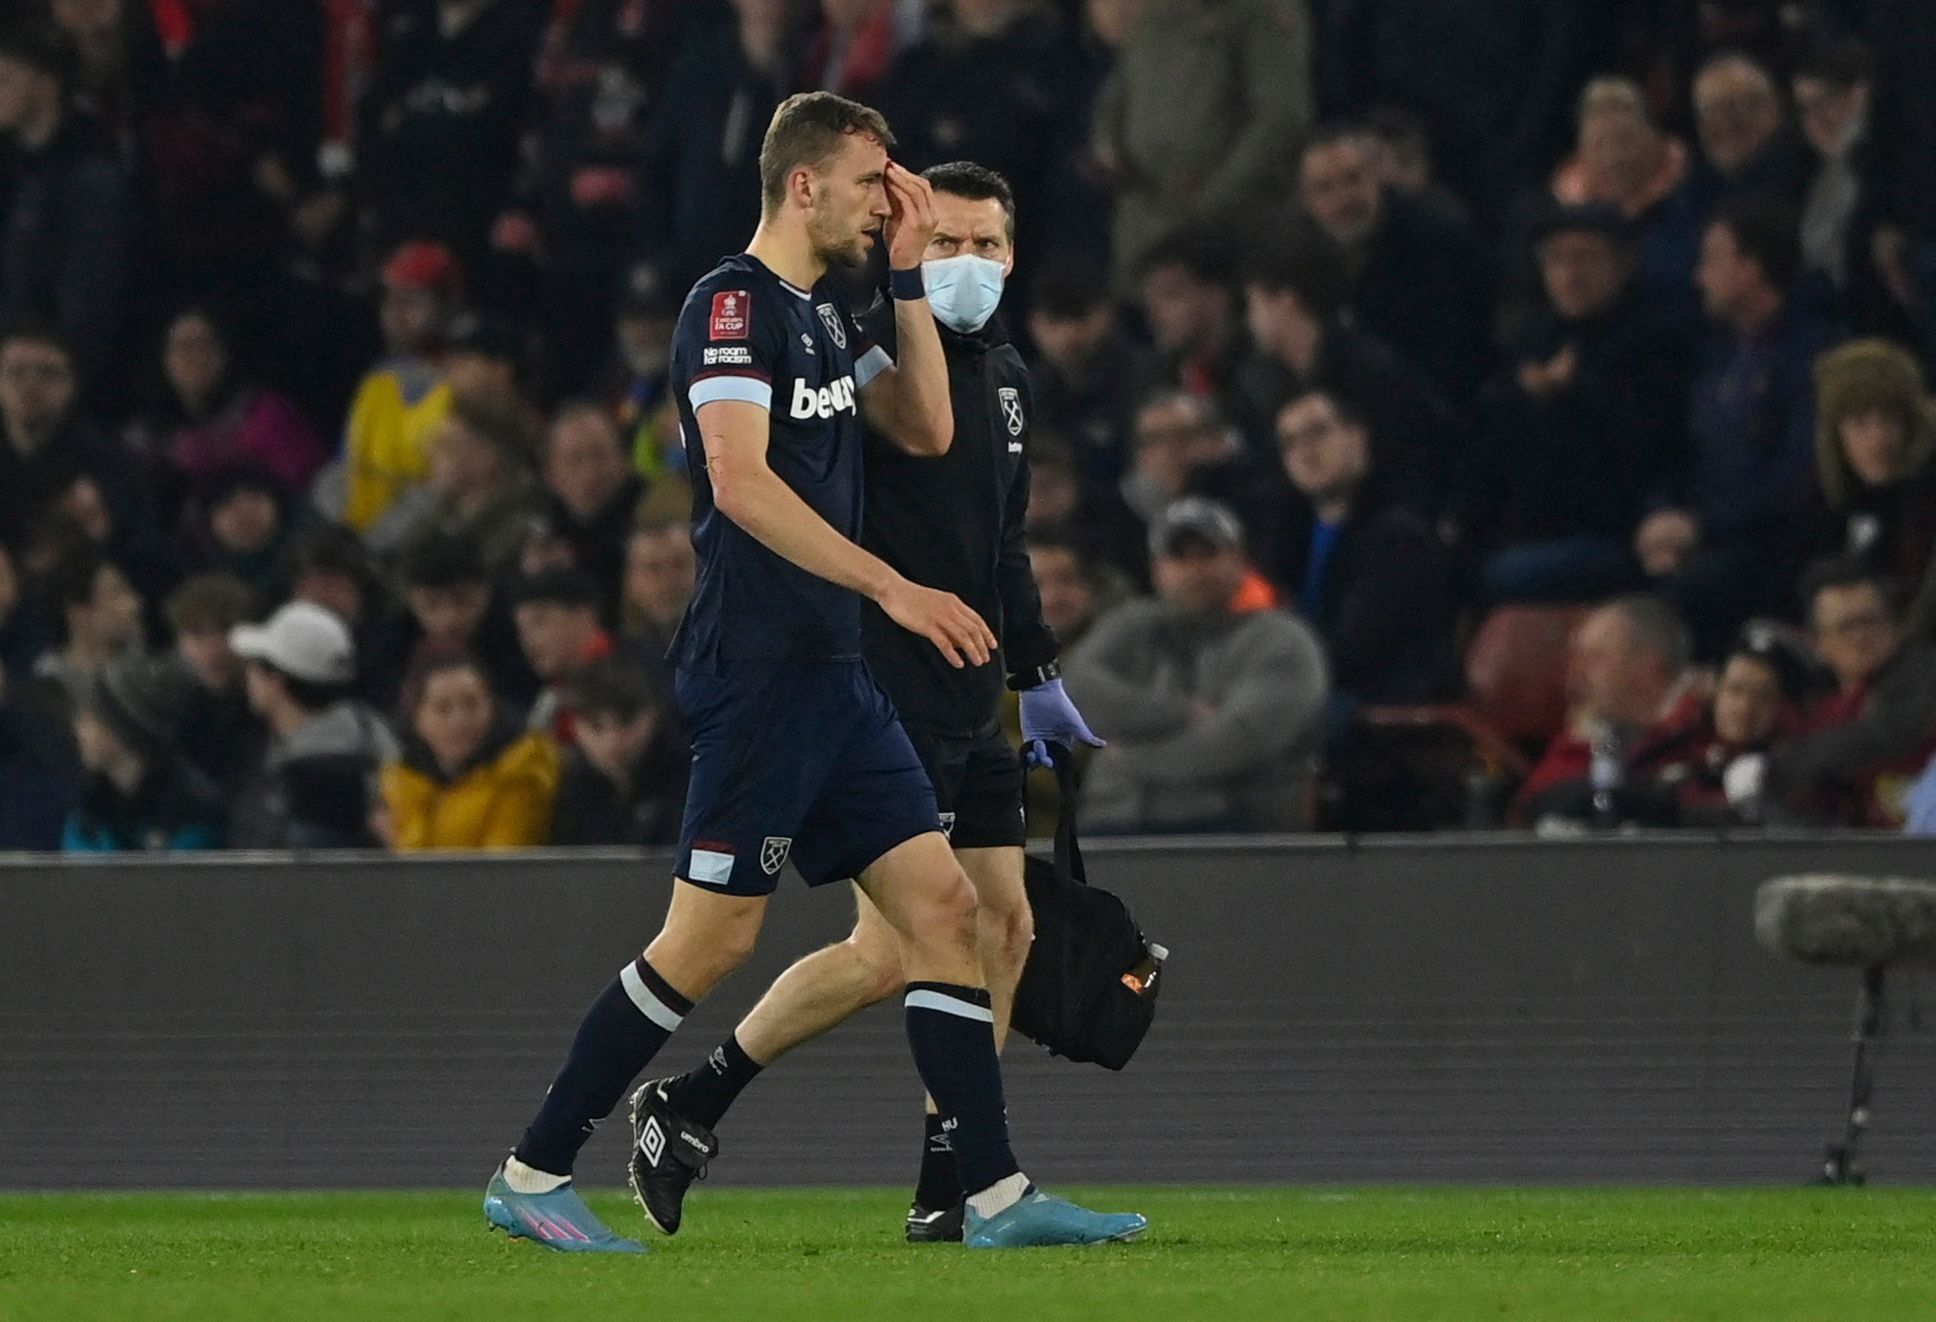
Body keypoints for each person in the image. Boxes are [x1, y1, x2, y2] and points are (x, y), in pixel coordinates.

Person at [483, 92, 1143, 1255]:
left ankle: (988, 1196)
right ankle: (534, 1164)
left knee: (949, 912)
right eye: (869, 185)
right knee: (707, 942)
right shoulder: (730, 306)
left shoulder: (825, 317)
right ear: (804, 183)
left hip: (837, 677)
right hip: (761, 669)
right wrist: (891, 584)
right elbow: (736, 482)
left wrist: (900, 273)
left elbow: (931, 428)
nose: (883, 205)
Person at [646, 162, 1104, 1243]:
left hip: (972, 687)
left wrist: (1035, 676)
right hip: (880, 683)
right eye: (943, 242)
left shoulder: (1004, 379)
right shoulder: (851, 360)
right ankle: (696, 1099)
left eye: (988, 246)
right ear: (904, 243)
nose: (968, 265)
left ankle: (949, 1181)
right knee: (901, 944)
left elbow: (1000, 543)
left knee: (1006, 923)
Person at [1449, 203, 1697, 605]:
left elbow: (1650, 446)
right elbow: (1490, 436)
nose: (1569, 274)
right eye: (1555, 260)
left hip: (1615, 531)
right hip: (1526, 526)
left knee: (1504, 576)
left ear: (1623, 263)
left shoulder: (1656, 340)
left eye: (1585, 257)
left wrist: (1573, 393)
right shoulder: (1537, 339)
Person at [1639, 199, 1838, 657]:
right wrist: (1663, 515)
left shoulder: (1811, 355)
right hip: (1707, 538)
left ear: (1751, 269)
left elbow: (1799, 480)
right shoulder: (1718, 355)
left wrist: (1700, 528)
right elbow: (1685, 453)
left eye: (1711, 260)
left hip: (1774, 547)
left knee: (1688, 600)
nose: (1698, 276)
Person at [1064, 496, 1329, 833]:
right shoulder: (1131, 625)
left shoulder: (1283, 640)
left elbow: (1239, 740)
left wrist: (1131, 759)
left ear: (1239, 562)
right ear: (1157, 569)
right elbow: (1074, 692)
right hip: (1110, 822)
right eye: (1179, 556)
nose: (1195, 569)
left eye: (1208, 554)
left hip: (1234, 831)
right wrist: (1180, 713)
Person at [1090, 0, 1310, 288]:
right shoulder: (1157, 15)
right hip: (1144, 223)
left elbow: (1280, 117)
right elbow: (1116, 95)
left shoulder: (1258, 12)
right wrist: (1107, 147)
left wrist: (1212, 200)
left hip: (1226, 230)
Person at [1265, 389, 1456, 710]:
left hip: (1379, 698)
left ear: (1357, 436)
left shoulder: (1398, 535)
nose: (1305, 452)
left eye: (1317, 432)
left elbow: (1356, 647)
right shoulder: (1288, 536)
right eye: (1290, 443)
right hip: (1313, 688)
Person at [1238, 233, 1453, 501]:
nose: (1250, 320)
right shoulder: (1269, 386)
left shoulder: (1372, 371)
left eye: (1253, 303)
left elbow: (1410, 462)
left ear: (1286, 300)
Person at [1293, 123, 1493, 405]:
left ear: (1377, 177)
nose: (1343, 199)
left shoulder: (1431, 238)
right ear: (1306, 201)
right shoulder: (1299, 264)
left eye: (1353, 179)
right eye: (1324, 188)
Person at [1754, 559, 1936, 827]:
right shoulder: (1816, 708)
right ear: (1818, 644)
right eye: (1846, 627)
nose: (1860, 638)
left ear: (1895, 625)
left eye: (1869, 622)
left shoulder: (1923, 675)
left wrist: (1786, 765)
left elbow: (1890, 732)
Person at [0, 21, 131, 388]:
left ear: (46, 84)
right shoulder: (18, 170)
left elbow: (87, 308)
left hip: (53, 384)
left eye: (4, 79)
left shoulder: (91, 177)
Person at [1511, 596, 1707, 828]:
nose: (1576, 674)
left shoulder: (1706, 739)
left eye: (1596, 658)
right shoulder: (1578, 749)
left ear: (1651, 666)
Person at [227, 600, 399, 850]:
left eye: (254, 667)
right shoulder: (370, 731)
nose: (248, 678)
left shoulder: (326, 771)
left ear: (276, 680)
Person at [323, 241, 462, 533]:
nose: (395, 315)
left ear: (447, 307)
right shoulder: (378, 379)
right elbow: (341, 470)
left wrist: (378, 539)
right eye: (390, 300)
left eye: (411, 302)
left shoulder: (466, 385)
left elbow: (446, 493)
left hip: (430, 547)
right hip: (362, 546)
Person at [135, 306, 328, 504]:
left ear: (226, 351)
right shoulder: (148, 436)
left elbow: (314, 494)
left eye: (203, 344)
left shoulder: (267, 417)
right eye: (180, 346)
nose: (191, 356)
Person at [1810, 340, 1936, 621]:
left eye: (1890, 420)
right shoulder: (1826, 502)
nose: (1878, 440)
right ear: (1836, 434)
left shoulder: (1923, 506)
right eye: (1860, 423)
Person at [381, 655, 558, 850]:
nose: (459, 721)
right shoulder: (400, 783)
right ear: (417, 720)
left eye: (472, 704)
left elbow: (501, 869)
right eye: (443, 708)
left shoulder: (521, 772)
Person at [1548, 75, 1701, 300]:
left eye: (1626, 140)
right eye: (1600, 144)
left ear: (1654, 138)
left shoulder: (1691, 201)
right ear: (1581, 155)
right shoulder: (1558, 220)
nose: (1615, 157)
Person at [62, 652, 225, 852]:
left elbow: (179, 880)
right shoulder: (89, 809)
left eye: (90, 719)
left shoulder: (193, 812)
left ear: (121, 728)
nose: (79, 730)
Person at [1024, 260, 1154, 494]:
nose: (1068, 333)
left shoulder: (1142, 378)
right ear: (1035, 325)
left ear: (1106, 315)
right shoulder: (1028, 390)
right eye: (1056, 319)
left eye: (1079, 316)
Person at [549, 654, 689, 847]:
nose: (612, 742)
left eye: (626, 722)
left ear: (653, 714)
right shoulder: (572, 789)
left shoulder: (689, 781)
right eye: (596, 726)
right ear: (575, 727)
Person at [543, 402, 647, 619]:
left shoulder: (651, 511)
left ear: (623, 459)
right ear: (550, 472)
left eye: (600, 456)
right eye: (574, 460)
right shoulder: (540, 530)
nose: (590, 472)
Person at [162, 572, 262, 795]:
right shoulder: (176, 709)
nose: (214, 650)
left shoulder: (267, 709)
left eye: (225, 630)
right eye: (198, 634)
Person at [32, 542, 144, 714]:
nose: (134, 604)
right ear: (79, 613)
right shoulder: (53, 682)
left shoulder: (139, 651)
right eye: (116, 594)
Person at [514, 566, 613, 745]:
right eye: (522, 629)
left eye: (540, 621)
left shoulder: (638, 673)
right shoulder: (551, 702)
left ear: (584, 616)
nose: (528, 640)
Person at [619, 519, 696, 666]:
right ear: (631, 580)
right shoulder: (614, 665)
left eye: (680, 564)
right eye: (653, 568)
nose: (669, 580)